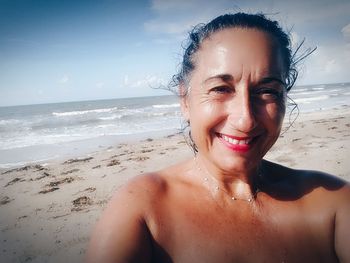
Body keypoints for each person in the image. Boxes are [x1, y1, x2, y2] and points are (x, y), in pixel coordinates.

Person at [87, 13, 350, 262]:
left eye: (267, 91)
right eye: (221, 89)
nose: (245, 119)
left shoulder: (333, 202)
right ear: (185, 100)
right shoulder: (143, 209)